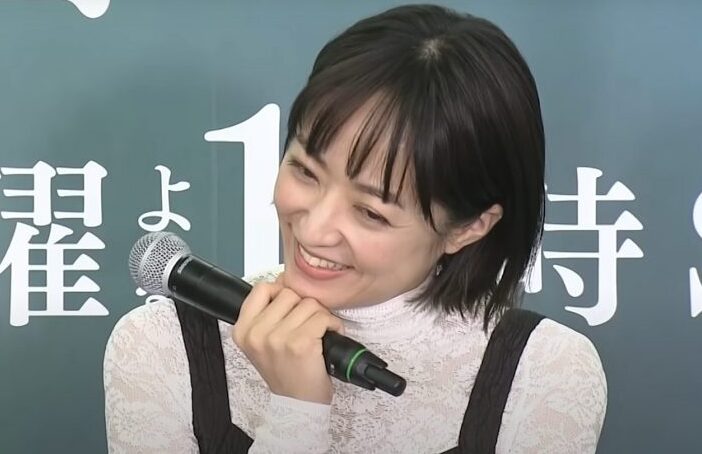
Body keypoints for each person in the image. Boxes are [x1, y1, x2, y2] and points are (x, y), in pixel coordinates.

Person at [104, 4, 607, 453]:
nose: (315, 229)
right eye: (305, 172)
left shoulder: (543, 373)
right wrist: (296, 416)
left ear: (469, 227)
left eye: (370, 212)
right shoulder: (161, 346)